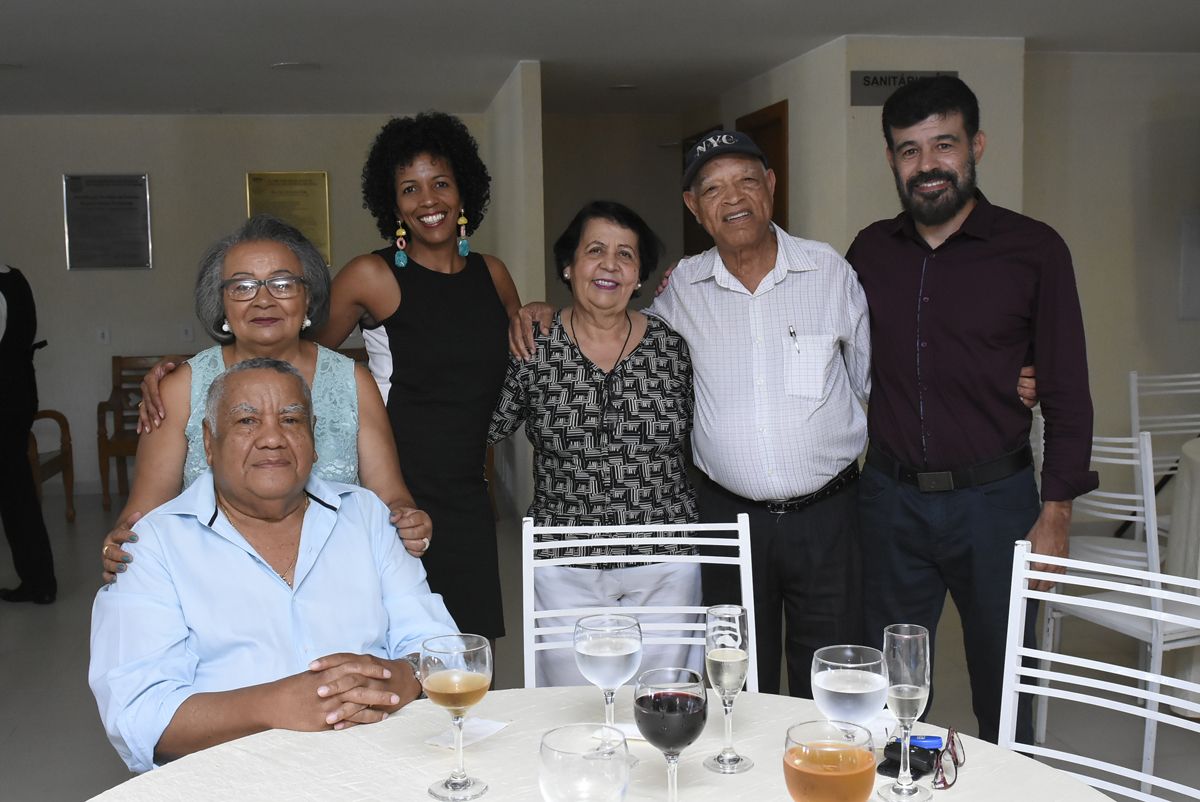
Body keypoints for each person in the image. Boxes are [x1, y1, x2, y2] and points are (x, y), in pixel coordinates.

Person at [514, 133, 871, 697]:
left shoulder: (829, 271)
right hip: (727, 517)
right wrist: (542, 311)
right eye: (713, 189)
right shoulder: (682, 289)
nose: (734, 198)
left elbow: (867, 382)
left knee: (830, 679)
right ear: (694, 207)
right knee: (735, 679)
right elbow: (609, 317)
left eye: (747, 181)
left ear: (770, 185)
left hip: (828, 516)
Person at [846, 75, 1097, 743]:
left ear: (976, 146)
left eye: (944, 144)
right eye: (909, 150)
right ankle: (900, 778)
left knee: (1006, 682)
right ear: (892, 159)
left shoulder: (1034, 250)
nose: (927, 164)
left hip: (996, 505)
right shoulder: (870, 251)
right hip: (890, 501)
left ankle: (1011, 783)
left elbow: (1067, 388)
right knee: (889, 689)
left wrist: (1056, 515)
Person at [89, 358, 457, 773]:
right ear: (209, 442)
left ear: (313, 438)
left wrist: (404, 676)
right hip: (235, 778)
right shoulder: (153, 546)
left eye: (291, 420)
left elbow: (445, 649)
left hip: (379, 764)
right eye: (247, 421)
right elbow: (137, 718)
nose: (272, 439)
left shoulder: (367, 516)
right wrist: (271, 706)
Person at [100, 215, 431, 580]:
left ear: (308, 297)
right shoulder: (179, 388)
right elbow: (143, 514)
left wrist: (408, 518)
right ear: (221, 302)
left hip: (337, 577)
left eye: (283, 284)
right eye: (242, 286)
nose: (263, 300)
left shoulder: (353, 381)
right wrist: (119, 545)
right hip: (210, 582)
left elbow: (390, 496)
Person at [313, 112, 522, 641]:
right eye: (410, 188)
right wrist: (189, 376)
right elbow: (294, 358)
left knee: (470, 654)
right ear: (394, 204)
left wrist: (541, 312)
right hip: (393, 491)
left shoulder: (493, 274)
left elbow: (526, 355)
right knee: (399, 650)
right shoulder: (371, 275)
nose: (428, 200)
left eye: (441, 183)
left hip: (468, 490)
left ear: (463, 191)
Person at [489, 201, 700, 685]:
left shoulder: (670, 349)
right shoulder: (534, 345)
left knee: (665, 700)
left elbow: (701, 436)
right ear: (569, 265)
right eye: (595, 250)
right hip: (565, 563)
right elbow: (490, 427)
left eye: (626, 254)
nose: (610, 265)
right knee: (572, 705)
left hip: (665, 561)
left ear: (639, 276)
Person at [0, 263, 57, 604]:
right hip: (19, 395)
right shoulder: (16, 278)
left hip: (4, 401)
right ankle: (39, 582)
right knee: (17, 494)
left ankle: (38, 581)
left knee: (15, 496)